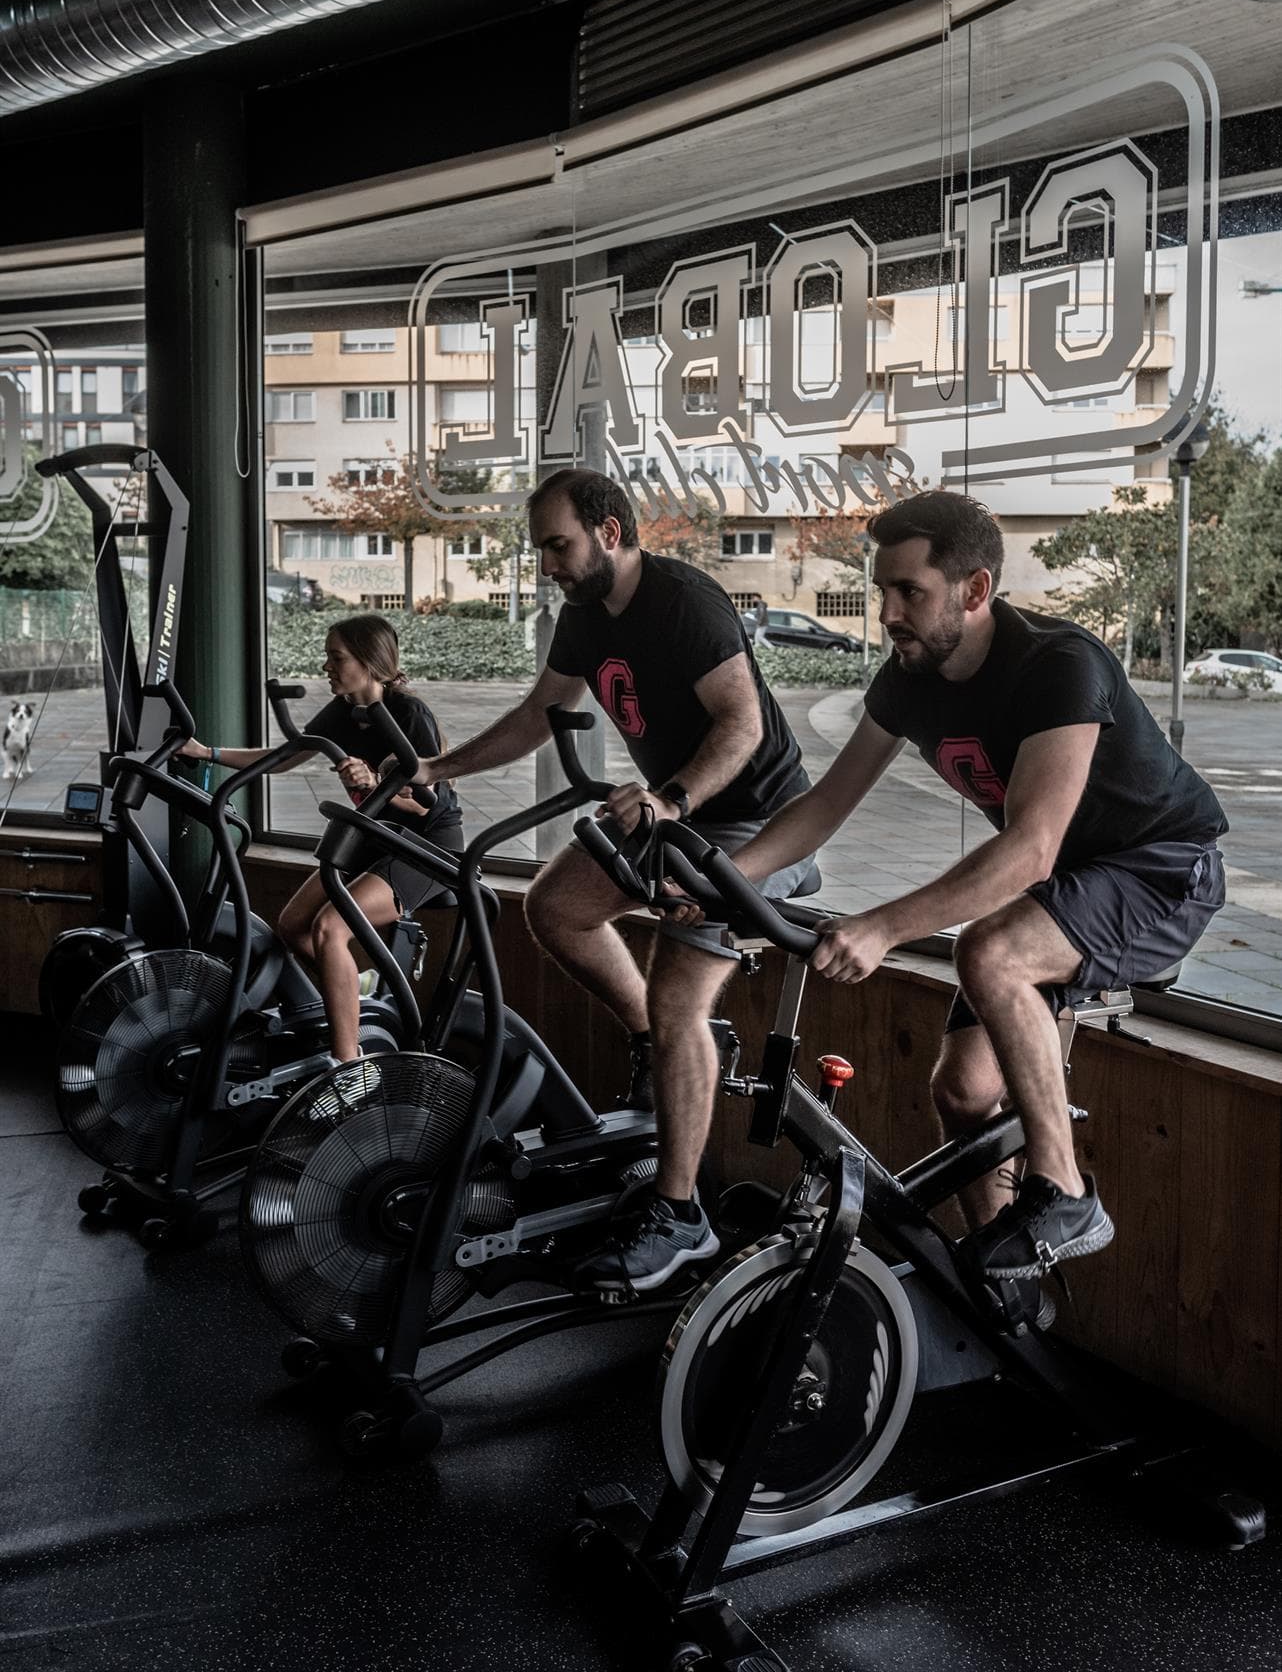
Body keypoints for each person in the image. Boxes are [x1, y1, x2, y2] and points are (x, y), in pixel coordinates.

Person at [721, 489, 1227, 1288]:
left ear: (975, 590)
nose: (887, 612)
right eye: (883, 589)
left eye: (909, 592)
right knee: (962, 1092)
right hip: (1069, 887)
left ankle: (1062, 1192)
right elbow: (824, 805)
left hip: (1162, 867)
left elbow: (1029, 850)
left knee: (992, 951)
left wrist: (883, 925)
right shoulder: (908, 677)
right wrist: (725, 877)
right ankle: (1010, 1283)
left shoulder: (1058, 665)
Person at [405, 467, 816, 1292]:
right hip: (674, 818)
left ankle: (681, 1216)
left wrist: (672, 799)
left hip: (759, 826)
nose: (549, 564)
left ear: (611, 532)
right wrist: (435, 767)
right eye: (544, 549)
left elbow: (744, 723)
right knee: (555, 906)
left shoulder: (683, 603)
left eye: (559, 545)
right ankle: (652, 1041)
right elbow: (534, 716)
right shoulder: (584, 619)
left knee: (679, 999)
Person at [181, 614, 463, 1064]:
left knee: (330, 928)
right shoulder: (345, 711)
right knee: (293, 926)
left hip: (426, 846)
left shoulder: (409, 713)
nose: (327, 666)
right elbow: (283, 757)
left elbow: (427, 803)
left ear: (369, 661)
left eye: (337, 657)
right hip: (376, 834)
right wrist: (206, 752)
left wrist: (373, 783)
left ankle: (350, 1066)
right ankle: (359, 985)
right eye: (327, 656)